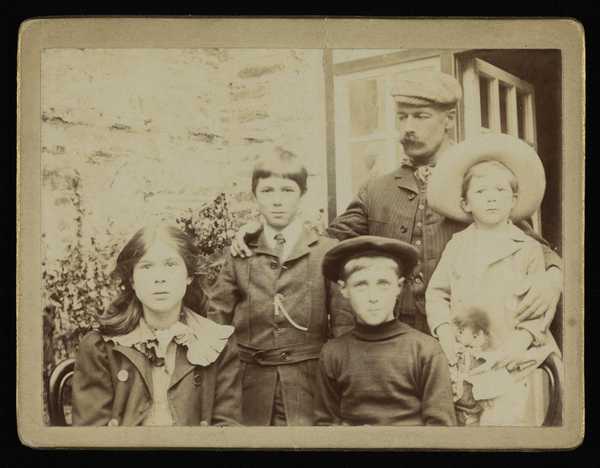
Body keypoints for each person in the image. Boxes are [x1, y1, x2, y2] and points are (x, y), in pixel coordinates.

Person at [230, 70, 562, 336]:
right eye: (402, 117)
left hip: (463, 334)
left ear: (448, 120)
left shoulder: (477, 182)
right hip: (393, 338)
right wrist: (268, 229)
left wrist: (552, 278)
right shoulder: (377, 189)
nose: (408, 128)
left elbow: (533, 244)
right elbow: (326, 245)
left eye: (420, 116)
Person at [206, 149, 354, 426]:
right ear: (255, 195)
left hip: (309, 385)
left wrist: (338, 386)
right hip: (248, 384)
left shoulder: (325, 252)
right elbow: (216, 321)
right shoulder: (240, 253)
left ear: (302, 195)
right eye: (268, 191)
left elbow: (344, 327)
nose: (277, 200)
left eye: (287, 190)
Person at [425, 133, 561, 426]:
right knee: (468, 425)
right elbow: (437, 293)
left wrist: (521, 341)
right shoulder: (458, 246)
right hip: (466, 357)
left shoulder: (527, 248)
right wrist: (445, 333)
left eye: (500, 190)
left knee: (510, 422)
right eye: (481, 191)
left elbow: (540, 310)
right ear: (465, 203)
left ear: (513, 200)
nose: (491, 198)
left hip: (515, 360)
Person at [72, 224, 241, 426]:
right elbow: (88, 438)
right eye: (146, 266)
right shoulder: (101, 347)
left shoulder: (216, 344)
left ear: (189, 276)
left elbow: (228, 432)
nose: (159, 278)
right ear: (132, 280)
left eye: (170, 265)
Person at [314, 236, 456, 426]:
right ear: (344, 289)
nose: (373, 297)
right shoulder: (333, 353)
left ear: (399, 287)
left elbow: (440, 427)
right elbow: (324, 425)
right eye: (361, 286)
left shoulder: (425, 350)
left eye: (383, 284)